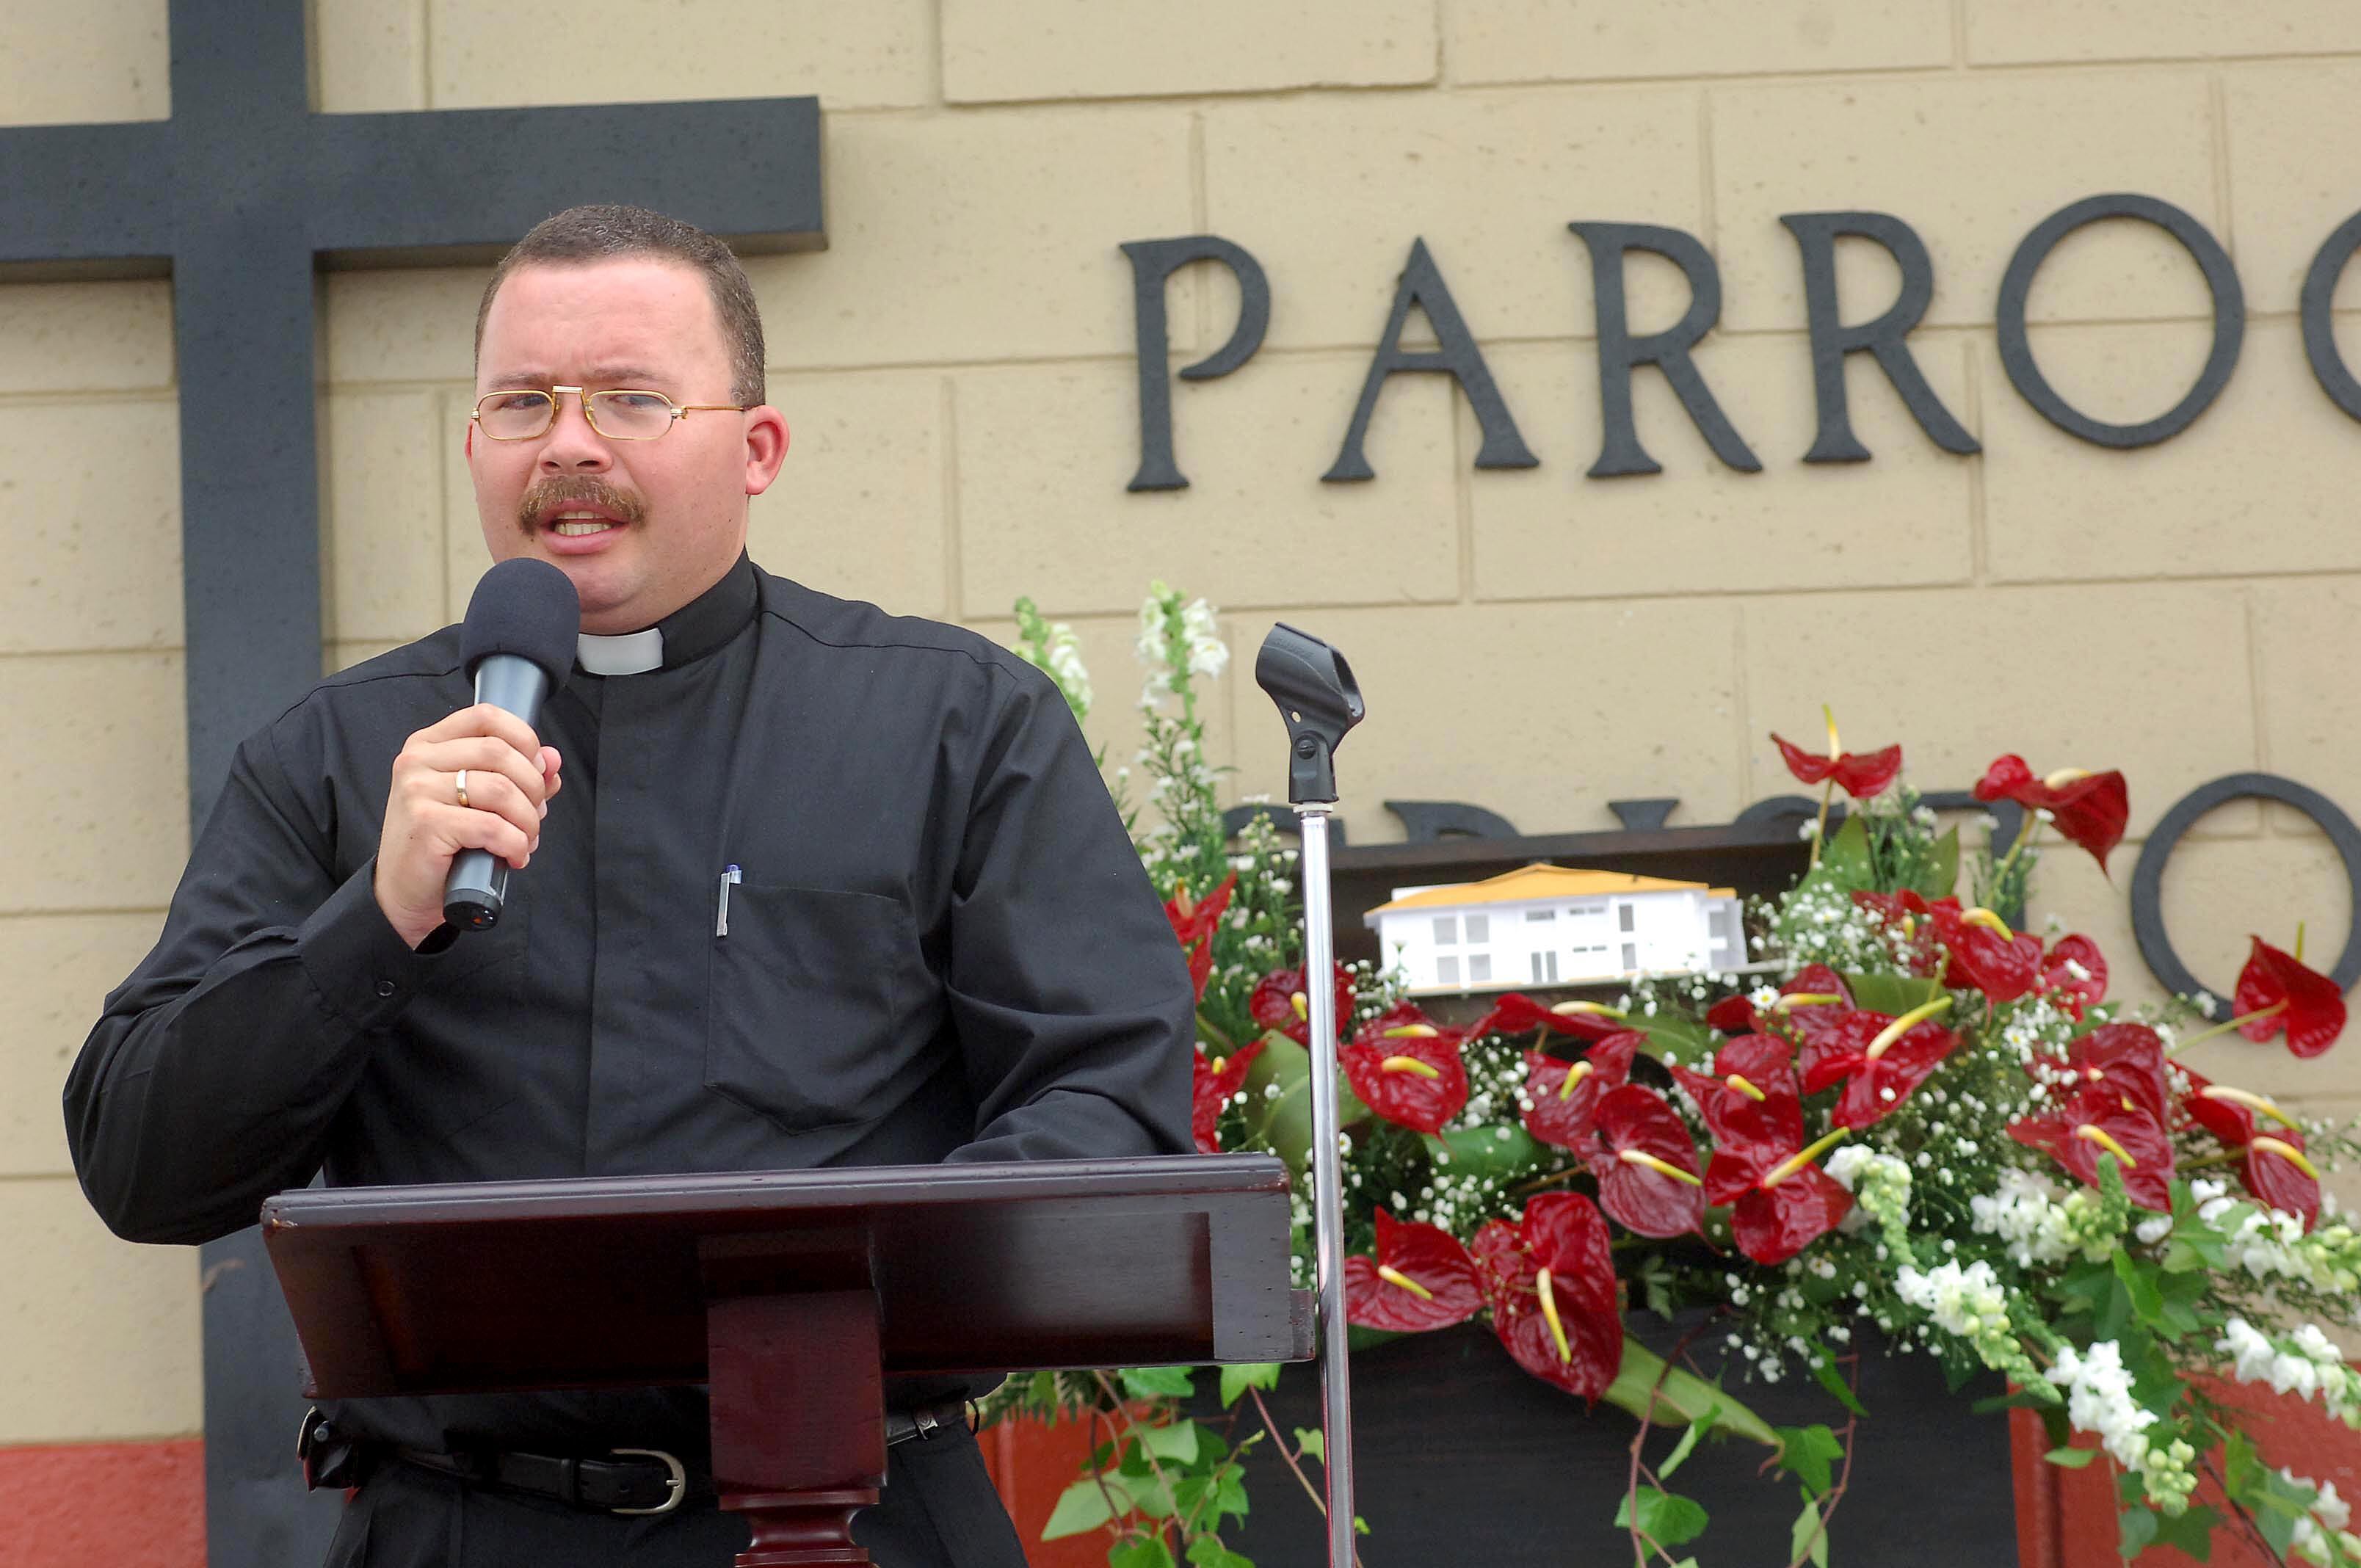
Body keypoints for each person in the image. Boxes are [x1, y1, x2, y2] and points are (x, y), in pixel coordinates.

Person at [64, 204, 1194, 1567]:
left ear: (758, 446)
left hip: (853, 1519)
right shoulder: (339, 759)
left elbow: (1110, 1108)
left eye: (632, 400)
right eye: (524, 402)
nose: (571, 445)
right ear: (475, 445)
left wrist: (836, 1292)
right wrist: (372, 920)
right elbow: (143, 1162)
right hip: (465, 1526)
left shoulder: (954, 727)